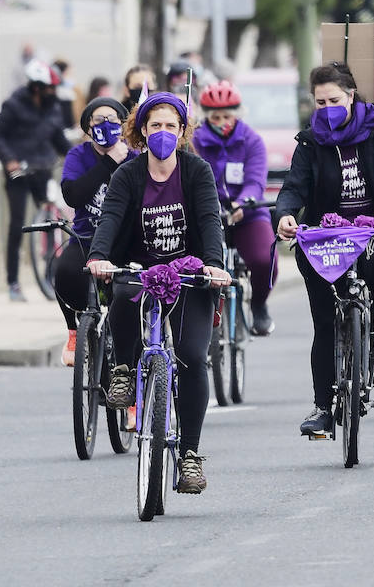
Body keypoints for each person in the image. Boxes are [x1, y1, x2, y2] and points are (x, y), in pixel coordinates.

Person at [86, 93, 231, 494]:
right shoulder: (128, 175)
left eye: (170, 126)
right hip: (140, 269)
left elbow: (209, 219)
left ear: (182, 132)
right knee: (120, 295)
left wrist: (213, 264)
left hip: (191, 275)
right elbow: (111, 217)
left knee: (191, 357)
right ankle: (122, 372)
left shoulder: (197, 171)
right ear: (141, 131)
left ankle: (189, 455)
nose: (162, 133)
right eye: (155, 126)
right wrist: (99, 256)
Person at [274, 63, 374, 437]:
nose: (327, 108)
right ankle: (323, 408)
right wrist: (287, 214)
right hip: (325, 236)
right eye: (320, 102)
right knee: (323, 322)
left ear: (351, 95)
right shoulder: (309, 141)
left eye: (334, 100)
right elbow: (294, 185)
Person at [192, 80, 278, 335]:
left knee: (266, 259)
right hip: (208, 212)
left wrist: (243, 203)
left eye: (227, 116)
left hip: (248, 212)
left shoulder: (252, 141)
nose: (221, 121)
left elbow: (255, 180)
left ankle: (260, 304)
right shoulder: (195, 140)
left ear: (238, 114)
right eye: (215, 116)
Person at [53, 97, 134, 366]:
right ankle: (75, 331)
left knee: (129, 294)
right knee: (64, 270)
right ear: (88, 126)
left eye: (112, 119)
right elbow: (73, 195)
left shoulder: (134, 156)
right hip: (86, 236)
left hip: (124, 241)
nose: (106, 125)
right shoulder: (79, 155)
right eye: (99, 120)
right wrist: (109, 162)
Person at [0, 60, 72, 302]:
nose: (53, 93)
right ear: (36, 87)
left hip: (43, 168)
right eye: (49, 88)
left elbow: (59, 139)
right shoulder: (14, 104)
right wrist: (9, 160)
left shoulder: (53, 106)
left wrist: (77, 156)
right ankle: (13, 283)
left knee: (54, 223)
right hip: (18, 171)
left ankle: (54, 274)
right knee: (17, 225)